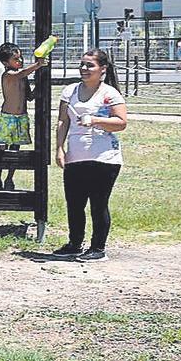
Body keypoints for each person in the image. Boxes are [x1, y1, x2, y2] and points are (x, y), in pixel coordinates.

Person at [53, 49, 128, 262]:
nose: (84, 69)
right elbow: (62, 121)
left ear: (102, 69)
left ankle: (98, 248)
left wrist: (95, 120)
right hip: (76, 156)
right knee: (74, 203)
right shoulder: (69, 91)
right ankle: (74, 244)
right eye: (82, 65)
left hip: (104, 158)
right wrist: (59, 148)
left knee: (98, 203)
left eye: (90, 65)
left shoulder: (110, 94)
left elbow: (121, 123)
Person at [0, 42, 49, 190]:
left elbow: (29, 96)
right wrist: (38, 65)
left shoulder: (23, 77)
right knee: (2, 150)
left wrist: (40, 85)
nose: (20, 61)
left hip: (21, 118)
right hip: (8, 118)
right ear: (5, 62)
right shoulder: (8, 75)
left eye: (21, 58)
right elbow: (19, 74)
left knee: (15, 151)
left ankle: (9, 179)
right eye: (16, 59)